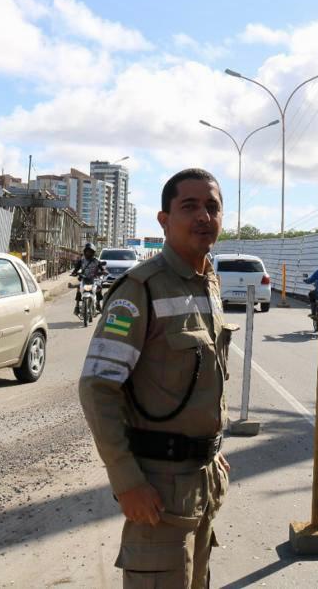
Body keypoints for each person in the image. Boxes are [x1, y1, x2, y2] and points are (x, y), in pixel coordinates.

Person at [79, 168, 234, 589]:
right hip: (158, 490)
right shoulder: (140, 290)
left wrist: (211, 449)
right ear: (163, 219)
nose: (204, 215)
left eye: (212, 206)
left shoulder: (209, 282)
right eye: (190, 206)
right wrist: (127, 481)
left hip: (201, 480)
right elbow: (98, 388)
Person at [72, 243, 106, 316]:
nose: (88, 253)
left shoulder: (96, 261)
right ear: (84, 252)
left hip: (94, 278)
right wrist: (74, 272)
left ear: (93, 252)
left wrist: (104, 271)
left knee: (99, 288)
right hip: (84, 278)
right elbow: (76, 268)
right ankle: (77, 306)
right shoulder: (82, 261)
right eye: (87, 251)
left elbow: (102, 268)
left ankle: (98, 304)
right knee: (78, 289)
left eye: (90, 251)